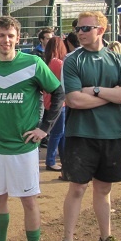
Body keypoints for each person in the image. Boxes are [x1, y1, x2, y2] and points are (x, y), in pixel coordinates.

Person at [0, 16, 64, 241]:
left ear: (18, 38)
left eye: (11, 36)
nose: (6, 40)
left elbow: (58, 93)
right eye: (2, 35)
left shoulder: (33, 63)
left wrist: (44, 128)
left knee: (28, 201)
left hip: (23, 147)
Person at [58, 11, 121, 241]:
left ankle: (105, 239)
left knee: (104, 189)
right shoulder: (73, 60)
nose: (79, 33)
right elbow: (74, 100)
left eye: (86, 28)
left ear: (101, 30)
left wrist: (95, 90)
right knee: (77, 188)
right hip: (81, 134)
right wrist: (113, 95)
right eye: (78, 29)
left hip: (111, 133)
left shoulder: (117, 59)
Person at [43, 37, 67, 172]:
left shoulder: (48, 62)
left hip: (49, 100)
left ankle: (64, 158)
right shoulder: (58, 63)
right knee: (58, 132)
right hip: (59, 102)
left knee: (60, 132)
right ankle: (50, 160)